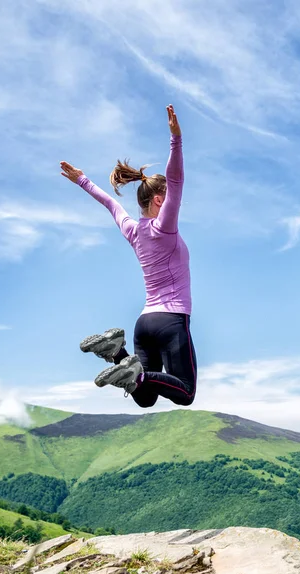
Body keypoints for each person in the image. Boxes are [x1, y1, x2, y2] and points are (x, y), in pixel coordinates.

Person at [60, 105, 197, 408]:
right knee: (185, 393)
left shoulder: (133, 231)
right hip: (171, 320)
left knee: (145, 398)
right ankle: (134, 370)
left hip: (144, 323)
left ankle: (117, 353)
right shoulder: (165, 228)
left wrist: (83, 180)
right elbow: (176, 180)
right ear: (160, 200)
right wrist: (176, 139)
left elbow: (111, 204)